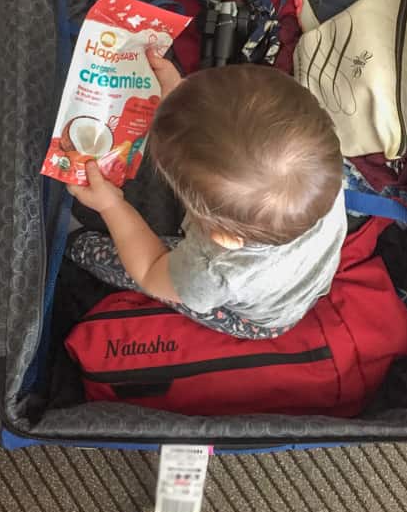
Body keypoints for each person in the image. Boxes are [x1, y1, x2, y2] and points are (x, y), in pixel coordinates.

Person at [67, 50, 347, 339]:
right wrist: (179, 96)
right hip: (306, 271)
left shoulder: (213, 271)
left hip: (263, 320)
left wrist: (112, 205)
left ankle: (75, 245)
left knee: (110, 257)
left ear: (221, 236)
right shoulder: (322, 164)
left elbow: (150, 271)